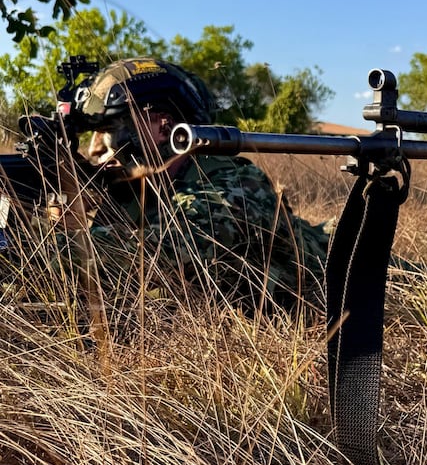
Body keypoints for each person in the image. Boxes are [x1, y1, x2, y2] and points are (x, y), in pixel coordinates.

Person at [55, 57, 328, 313]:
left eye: (111, 130)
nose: (96, 148)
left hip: (338, 285)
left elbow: (147, 257)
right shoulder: (142, 189)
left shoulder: (234, 188)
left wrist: (35, 241)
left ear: (164, 127)